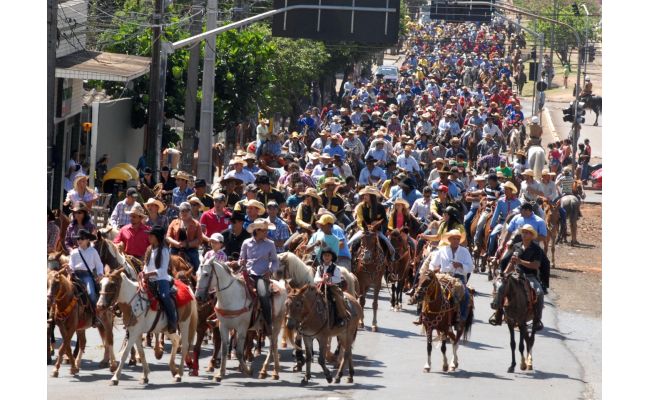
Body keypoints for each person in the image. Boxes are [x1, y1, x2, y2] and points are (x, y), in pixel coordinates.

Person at [490, 224, 545, 332]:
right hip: (516, 273)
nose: (524, 234)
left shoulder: (536, 249)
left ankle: (537, 319)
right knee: (501, 287)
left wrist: (521, 262)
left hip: (530, 276)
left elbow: (536, 265)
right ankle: (498, 313)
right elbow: (512, 262)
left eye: (527, 233)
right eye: (523, 232)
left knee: (539, 293)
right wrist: (505, 273)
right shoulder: (516, 246)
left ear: (531, 235)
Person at [426, 230, 473, 329]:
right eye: (454, 239)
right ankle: (424, 314)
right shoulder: (441, 251)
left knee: (466, 295)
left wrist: (461, 265)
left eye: (458, 239)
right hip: (443, 276)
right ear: (449, 239)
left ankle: (462, 319)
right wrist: (433, 271)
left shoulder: (465, 251)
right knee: (427, 290)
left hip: (458, 277)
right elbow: (432, 264)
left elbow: (470, 267)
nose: (456, 241)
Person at [239, 218, 279, 331]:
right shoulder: (246, 243)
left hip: (261, 274)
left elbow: (275, 261)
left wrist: (270, 270)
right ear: (257, 230)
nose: (266, 232)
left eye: (266, 230)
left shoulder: (270, 244)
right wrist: (240, 262)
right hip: (247, 273)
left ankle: (268, 323)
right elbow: (241, 258)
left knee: (263, 294)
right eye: (264, 230)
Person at [143, 225, 177, 333]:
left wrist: (149, 274)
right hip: (149, 278)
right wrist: (143, 272)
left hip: (161, 279)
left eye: (151, 235)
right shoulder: (149, 249)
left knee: (164, 296)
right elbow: (146, 264)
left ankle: (172, 321)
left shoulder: (164, 251)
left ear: (157, 237)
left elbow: (163, 270)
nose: (149, 237)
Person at [348, 186, 396, 262]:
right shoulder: (361, 206)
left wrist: (377, 224)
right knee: (350, 243)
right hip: (364, 230)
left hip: (376, 231)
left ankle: (390, 261)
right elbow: (360, 220)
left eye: (366, 195)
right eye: (364, 195)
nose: (364, 196)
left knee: (389, 245)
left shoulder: (380, 207)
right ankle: (351, 260)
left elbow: (384, 220)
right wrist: (364, 229)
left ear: (371, 196)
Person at [67, 229, 104, 326]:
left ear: (87, 240)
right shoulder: (74, 252)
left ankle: (95, 316)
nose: (79, 241)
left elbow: (99, 265)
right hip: (75, 275)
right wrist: (69, 270)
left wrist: (100, 274)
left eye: (82, 239)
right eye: (78, 239)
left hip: (87, 276)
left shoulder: (93, 251)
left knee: (91, 294)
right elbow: (71, 265)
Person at [314, 247, 351, 327]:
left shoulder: (335, 268)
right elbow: (315, 279)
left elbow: (338, 279)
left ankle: (341, 317)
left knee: (337, 298)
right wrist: (321, 280)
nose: (326, 257)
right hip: (320, 287)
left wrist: (329, 278)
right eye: (325, 255)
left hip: (331, 288)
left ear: (332, 257)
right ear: (322, 257)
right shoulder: (319, 268)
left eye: (328, 255)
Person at [487, 181, 522, 258]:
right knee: (492, 235)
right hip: (502, 222)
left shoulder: (518, 202)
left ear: (511, 190)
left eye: (507, 189)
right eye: (504, 189)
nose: (505, 191)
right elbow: (496, 214)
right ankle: (490, 254)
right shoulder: (500, 201)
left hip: (514, 224)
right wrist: (491, 226)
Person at [166, 202, 202, 273]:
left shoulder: (197, 224)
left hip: (190, 249)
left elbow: (199, 240)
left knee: (197, 266)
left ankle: (197, 280)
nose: (184, 212)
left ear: (190, 211)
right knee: (166, 265)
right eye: (182, 210)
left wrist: (187, 244)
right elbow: (168, 237)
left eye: (187, 210)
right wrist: (176, 243)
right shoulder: (174, 222)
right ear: (180, 212)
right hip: (174, 249)